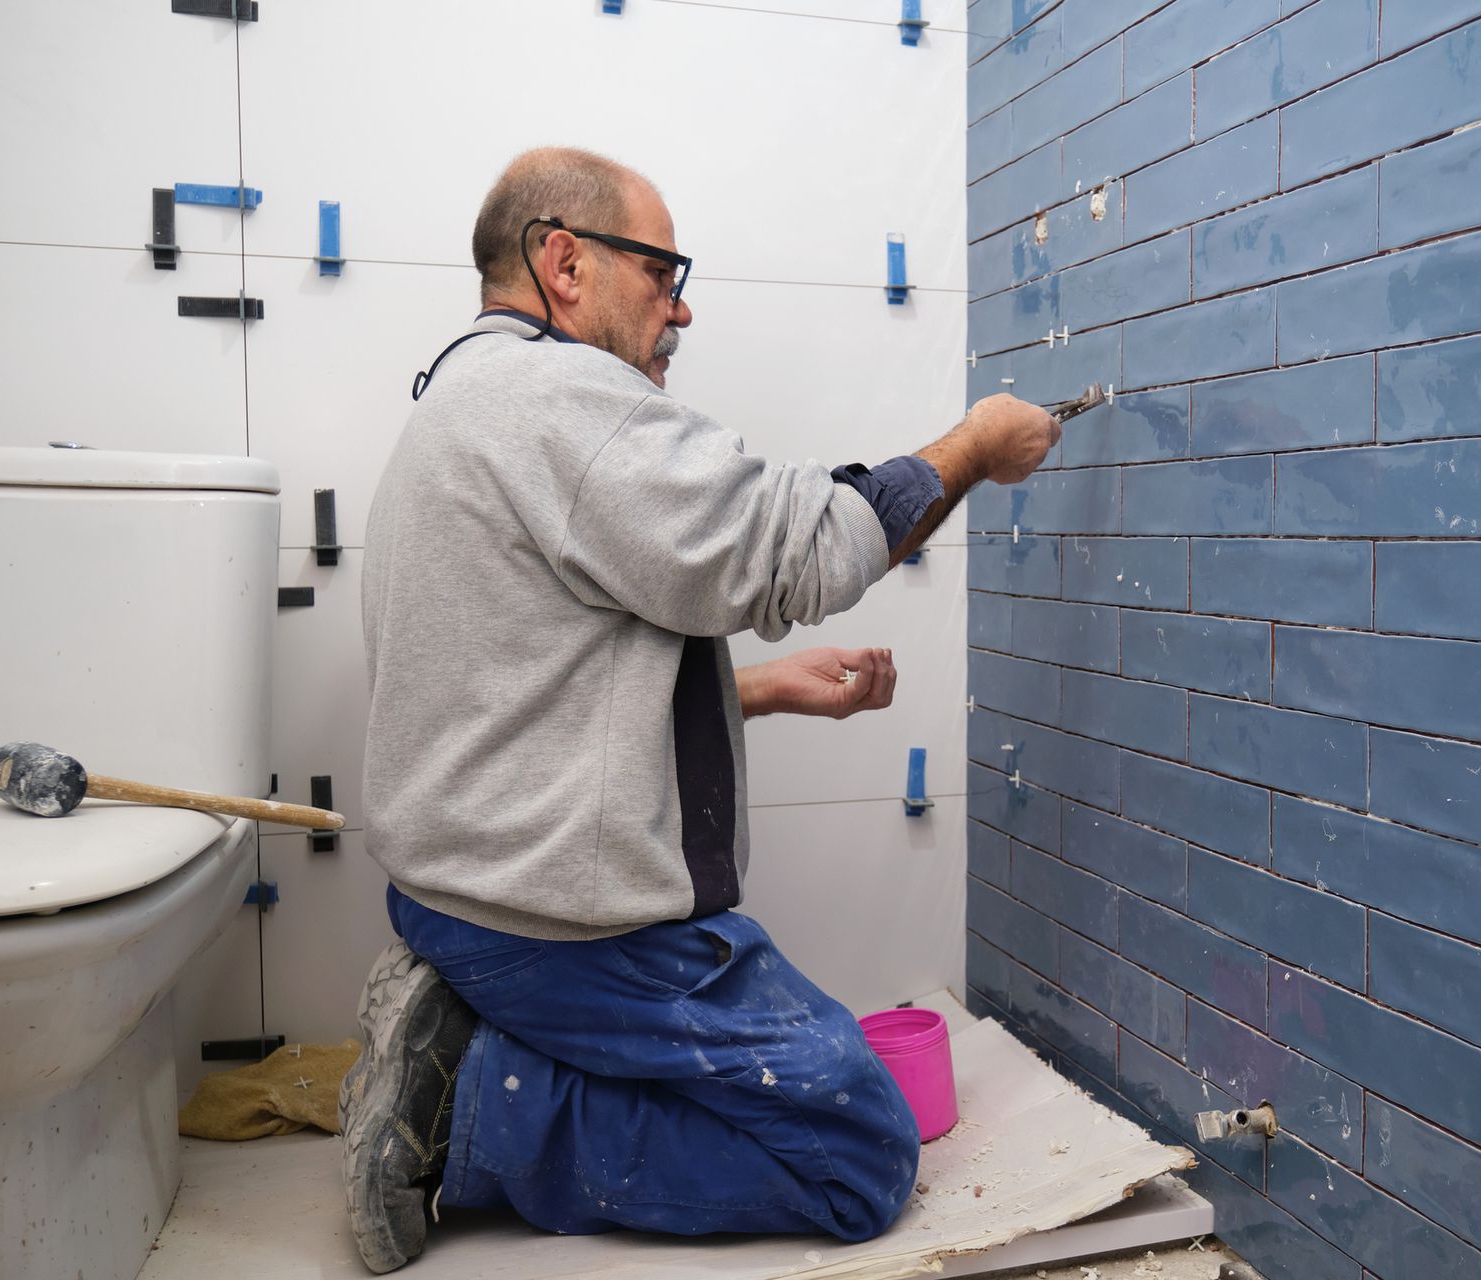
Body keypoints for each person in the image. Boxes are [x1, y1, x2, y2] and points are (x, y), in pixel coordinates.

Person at [339, 146, 1060, 1273]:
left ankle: (467, 1029)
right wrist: (972, 448)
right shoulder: (565, 398)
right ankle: (467, 1109)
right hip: (556, 930)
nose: (681, 305)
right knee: (859, 1150)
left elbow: (532, 666)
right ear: (564, 261)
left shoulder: (463, 398)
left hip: (458, 895)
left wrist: (756, 690)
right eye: (660, 269)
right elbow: (803, 550)